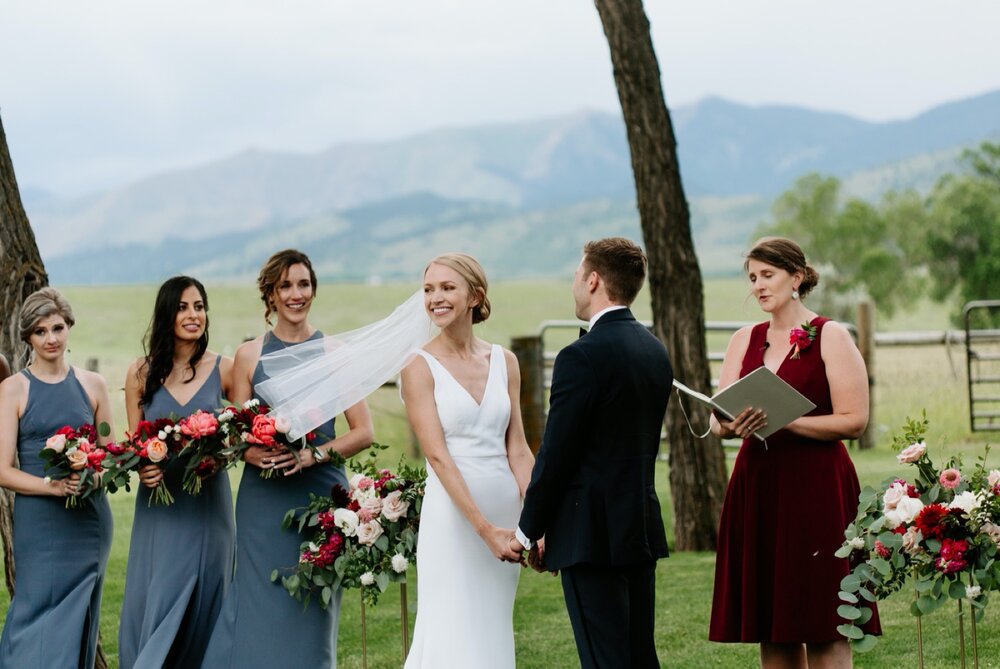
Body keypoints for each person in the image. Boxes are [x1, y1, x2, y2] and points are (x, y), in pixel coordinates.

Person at [708, 237, 880, 668]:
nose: (759, 286)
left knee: (825, 621)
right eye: (752, 278)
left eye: (768, 275)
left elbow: (854, 420)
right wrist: (728, 425)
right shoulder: (743, 339)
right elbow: (717, 418)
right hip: (760, 486)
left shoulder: (830, 335)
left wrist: (789, 421)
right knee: (774, 625)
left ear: (797, 277)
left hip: (817, 489)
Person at [202, 250, 373, 668]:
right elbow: (235, 431)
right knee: (257, 600)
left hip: (320, 497)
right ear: (270, 295)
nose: (296, 294)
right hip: (263, 501)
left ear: (313, 289)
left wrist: (310, 456)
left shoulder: (336, 352)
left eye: (303, 284)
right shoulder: (248, 355)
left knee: (314, 606)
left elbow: (363, 432)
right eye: (285, 286)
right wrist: (251, 450)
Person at [513, 237, 672, 669]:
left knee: (604, 661)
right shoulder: (654, 348)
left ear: (594, 280)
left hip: (590, 534)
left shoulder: (580, 356)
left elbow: (557, 453)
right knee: (639, 656)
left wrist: (528, 530)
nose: (573, 285)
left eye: (576, 276)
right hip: (638, 525)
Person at [400, 253, 535, 668]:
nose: (435, 298)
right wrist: (484, 529)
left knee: (490, 630)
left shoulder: (504, 361)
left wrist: (536, 519)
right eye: (428, 289)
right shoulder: (418, 365)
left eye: (447, 288)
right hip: (456, 522)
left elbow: (518, 449)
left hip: (507, 517)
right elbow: (437, 458)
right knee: (452, 629)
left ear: (475, 296)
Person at [118, 276, 236, 668]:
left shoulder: (226, 368)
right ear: (167, 314)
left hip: (208, 507)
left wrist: (223, 455)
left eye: (199, 306)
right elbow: (135, 445)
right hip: (160, 508)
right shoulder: (140, 372)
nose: (193, 315)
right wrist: (142, 470)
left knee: (206, 598)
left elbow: (251, 427)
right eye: (183, 307)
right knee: (160, 595)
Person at [0, 288, 115, 667]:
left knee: (78, 621)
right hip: (40, 523)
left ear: (69, 328)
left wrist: (90, 479)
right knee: (34, 616)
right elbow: (2, 470)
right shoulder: (13, 389)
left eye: (57, 328)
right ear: (28, 337)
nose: (51, 338)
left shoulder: (93, 385)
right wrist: (50, 487)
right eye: (40, 331)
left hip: (88, 523)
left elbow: (109, 456)